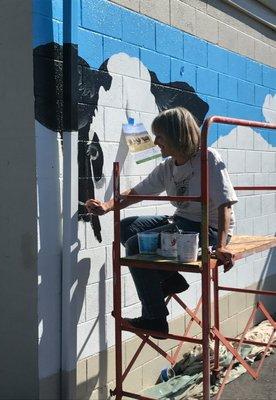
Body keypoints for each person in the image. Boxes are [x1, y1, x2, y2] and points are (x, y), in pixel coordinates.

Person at [85, 107, 238, 338]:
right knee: (125, 228)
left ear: (178, 135)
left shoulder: (208, 159)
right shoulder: (168, 167)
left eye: (160, 136)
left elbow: (225, 204)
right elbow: (136, 192)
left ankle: (155, 319)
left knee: (136, 246)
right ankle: (170, 279)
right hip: (182, 222)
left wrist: (222, 245)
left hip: (209, 229)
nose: (156, 142)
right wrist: (106, 207)